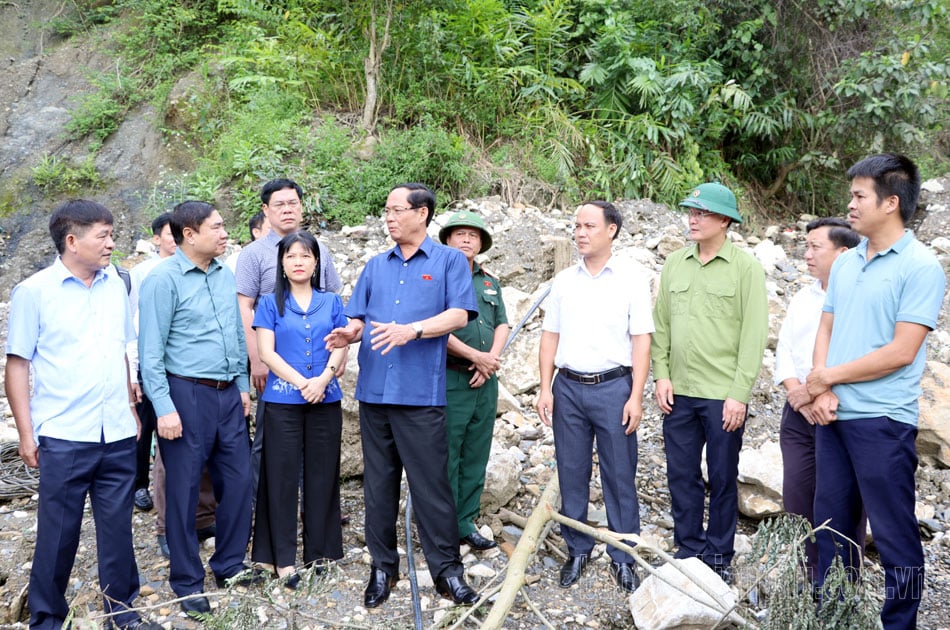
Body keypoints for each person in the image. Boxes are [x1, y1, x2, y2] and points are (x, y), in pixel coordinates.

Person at [799, 153, 945, 629]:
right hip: (833, 416)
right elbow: (826, 328)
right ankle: (834, 616)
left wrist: (828, 378)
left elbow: (902, 350)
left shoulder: (921, 267)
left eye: (860, 195)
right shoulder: (846, 264)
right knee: (831, 528)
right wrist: (820, 386)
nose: (851, 204)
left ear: (891, 202)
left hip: (883, 421)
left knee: (894, 532)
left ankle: (899, 623)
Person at [5, 199, 161, 629]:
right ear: (72, 241)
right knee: (58, 535)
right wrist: (26, 433)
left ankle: (122, 614)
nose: (112, 243)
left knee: (118, 532)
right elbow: (17, 365)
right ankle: (47, 618)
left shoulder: (116, 285)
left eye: (112, 234)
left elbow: (120, 352)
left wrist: (131, 411)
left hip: (114, 432)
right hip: (63, 434)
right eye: (103, 235)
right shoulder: (34, 292)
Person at [324, 183, 480, 608]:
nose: (389, 218)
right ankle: (382, 568)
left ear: (422, 213)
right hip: (375, 393)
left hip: (420, 395)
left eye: (396, 210)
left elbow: (460, 313)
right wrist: (349, 333)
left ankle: (447, 572)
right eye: (386, 211)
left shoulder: (449, 261)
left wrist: (413, 329)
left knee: (431, 487)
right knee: (379, 486)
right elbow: (359, 318)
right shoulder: (376, 265)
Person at [138, 201, 257, 615]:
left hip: (227, 394)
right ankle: (187, 582)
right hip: (184, 394)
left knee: (240, 481)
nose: (226, 234)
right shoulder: (163, 280)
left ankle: (229, 564)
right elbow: (149, 352)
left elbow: (238, 335)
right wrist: (164, 407)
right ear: (190, 234)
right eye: (218, 227)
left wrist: (242, 385)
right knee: (185, 491)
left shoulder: (226, 275)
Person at [651, 182, 768, 584]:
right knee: (680, 473)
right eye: (691, 212)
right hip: (678, 392)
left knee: (721, 476)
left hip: (722, 396)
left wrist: (739, 394)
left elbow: (754, 335)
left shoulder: (745, 269)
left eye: (702, 214)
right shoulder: (675, 264)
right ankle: (688, 546)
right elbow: (661, 324)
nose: (693, 219)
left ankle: (719, 553)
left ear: (724, 221)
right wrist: (661, 374)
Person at [536, 201, 654, 592]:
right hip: (567, 388)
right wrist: (544, 386)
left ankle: (623, 553)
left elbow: (641, 342)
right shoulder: (564, 281)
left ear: (611, 231)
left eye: (589, 226)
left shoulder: (631, 280)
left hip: (613, 387)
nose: (580, 233)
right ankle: (578, 548)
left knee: (619, 473)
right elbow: (549, 335)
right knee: (571, 472)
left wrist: (636, 396)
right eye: (577, 226)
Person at [251, 231, 348, 590]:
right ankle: (281, 558)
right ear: (282, 263)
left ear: (316, 262)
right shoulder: (268, 303)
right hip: (282, 401)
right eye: (291, 256)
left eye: (305, 255)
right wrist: (302, 383)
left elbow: (341, 344)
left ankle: (320, 553)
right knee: (280, 478)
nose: (298, 261)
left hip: (326, 398)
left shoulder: (332, 301)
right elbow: (267, 353)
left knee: (323, 475)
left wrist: (322, 379)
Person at [235, 178, 341, 497]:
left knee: (317, 437)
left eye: (293, 203)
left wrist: (336, 362)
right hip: (274, 360)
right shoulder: (253, 253)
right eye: (279, 204)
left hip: (319, 364)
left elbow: (334, 303)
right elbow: (244, 306)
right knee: (269, 438)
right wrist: (257, 360)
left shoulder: (317, 249)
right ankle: (260, 505)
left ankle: (315, 507)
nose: (287, 209)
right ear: (266, 210)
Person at [773, 217, 861, 584]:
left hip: (837, 412)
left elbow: (854, 357)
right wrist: (797, 393)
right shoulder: (803, 296)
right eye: (805, 247)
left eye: (815, 247)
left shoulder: (858, 297)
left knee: (842, 501)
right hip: (797, 412)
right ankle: (810, 576)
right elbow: (785, 350)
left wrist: (813, 392)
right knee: (797, 495)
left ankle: (843, 580)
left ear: (843, 253)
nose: (806, 254)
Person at [129, 212, 218, 558]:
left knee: (207, 451)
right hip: (168, 378)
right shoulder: (153, 277)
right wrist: (139, 377)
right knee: (169, 456)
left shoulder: (212, 274)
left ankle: (203, 517)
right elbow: (140, 336)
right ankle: (167, 526)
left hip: (206, 380)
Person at [438, 211, 510, 552]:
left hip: (486, 380)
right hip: (453, 378)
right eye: (460, 234)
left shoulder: (489, 281)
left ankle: (466, 521)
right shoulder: (438, 278)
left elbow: (502, 324)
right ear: (448, 240)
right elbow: (437, 331)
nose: (467, 240)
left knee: (476, 453)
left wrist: (490, 360)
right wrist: (474, 358)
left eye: (474, 235)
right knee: (448, 455)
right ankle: (442, 527)